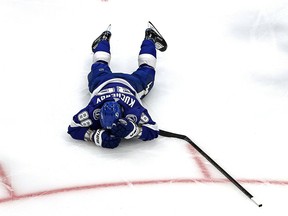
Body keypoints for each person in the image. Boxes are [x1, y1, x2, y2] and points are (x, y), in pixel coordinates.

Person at [67, 21, 167, 149]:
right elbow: (152, 130)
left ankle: (106, 38)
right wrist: (134, 130)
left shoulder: (93, 113)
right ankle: (148, 39)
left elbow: (73, 128)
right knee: (102, 63)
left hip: (118, 82)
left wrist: (96, 136)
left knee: (145, 68)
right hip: (109, 82)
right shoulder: (133, 110)